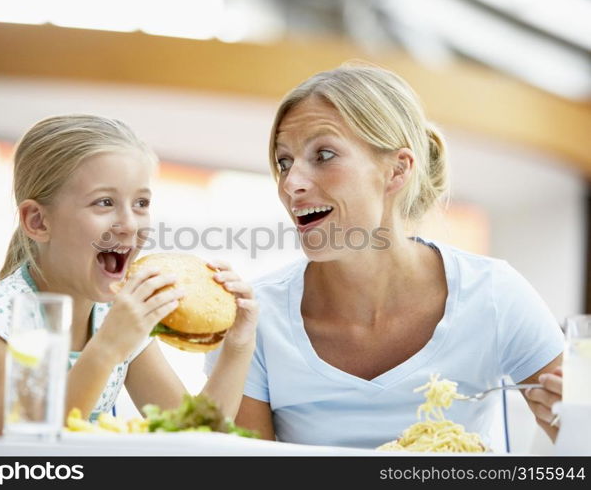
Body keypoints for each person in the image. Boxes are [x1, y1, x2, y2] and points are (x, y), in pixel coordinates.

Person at [205, 64, 564, 449]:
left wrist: (573, 422)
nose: (291, 184)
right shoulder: (257, 320)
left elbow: (576, 432)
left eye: (323, 155)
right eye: (284, 162)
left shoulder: (493, 293)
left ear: (397, 170)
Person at [0, 114, 258, 437]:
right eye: (104, 202)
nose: (129, 224)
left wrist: (238, 348)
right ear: (38, 221)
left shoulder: (114, 317)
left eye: (141, 203)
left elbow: (195, 434)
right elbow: (21, 452)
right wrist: (108, 346)